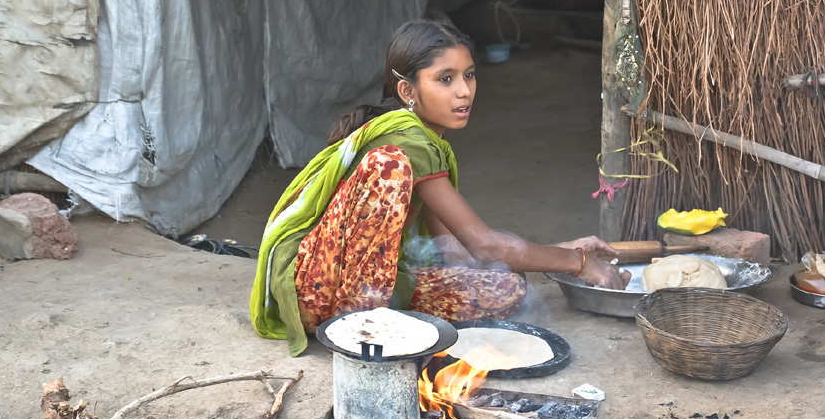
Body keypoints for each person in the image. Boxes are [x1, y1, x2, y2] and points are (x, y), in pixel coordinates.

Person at [250, 20, 629, 356]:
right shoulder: (404, 142)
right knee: (389, 168)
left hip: (380, 279)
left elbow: (452, 246)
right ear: (407, 90)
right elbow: (484, 244)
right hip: (317, 287)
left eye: (469, 75)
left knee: (508, 287)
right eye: (445, 79)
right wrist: (578, 265)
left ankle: (378, 313)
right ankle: (359, 329)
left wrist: (562, 250)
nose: (464, 91)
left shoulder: (430, 145)